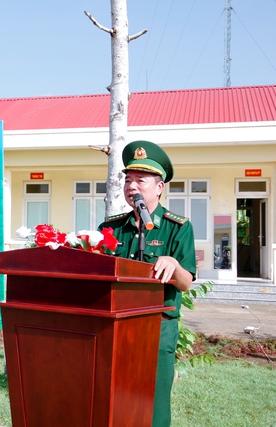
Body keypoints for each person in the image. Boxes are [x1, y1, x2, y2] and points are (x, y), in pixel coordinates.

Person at [98, 140, 196, 427]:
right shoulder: (110, 228)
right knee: (113, 394)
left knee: (153, 401)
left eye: (141, 180)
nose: (132, 186)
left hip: (158, 326)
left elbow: (186, 283)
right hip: (114, 324)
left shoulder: (178, 227)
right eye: (128, 180)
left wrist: (174, 265)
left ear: (159, 187)